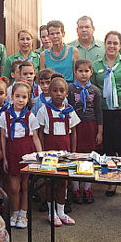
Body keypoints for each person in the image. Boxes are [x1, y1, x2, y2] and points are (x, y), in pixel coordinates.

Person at [91, 31, 121, 199]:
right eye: (109, 43)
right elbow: (94, 91)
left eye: (115, 43)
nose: (112, 46)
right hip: (104, 112)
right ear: (105, 44)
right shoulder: (96, 65)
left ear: (120, 45)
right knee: (107, 148)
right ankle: (111, 181)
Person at [37, 74, 80, 226]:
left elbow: (73, 133)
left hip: (66, 152)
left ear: (67, 93)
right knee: (50, 182)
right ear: (49, 92)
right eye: (55, 91)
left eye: (62, 91)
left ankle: (61, 212)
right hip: (49, 152)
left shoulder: (69, 111)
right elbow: (40, 133)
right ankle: (51, 212)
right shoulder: (44, 110)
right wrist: (41, 153)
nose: (58, 94)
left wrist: (73, 153)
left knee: (63, 182)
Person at [0, 81, 43, 229]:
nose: (20, 100)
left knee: (26, 185)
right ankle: (15, 211)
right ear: (11, 96)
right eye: (17, 96)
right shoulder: (5, 116)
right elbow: (2, 138)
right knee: (13, 187)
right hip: (12, 152)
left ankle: (23, 214)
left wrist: (40, 156)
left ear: (28, 99)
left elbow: (35, 137)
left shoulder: (30, 116)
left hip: (27, 152)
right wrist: (5, 157)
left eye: (24, 97)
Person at [68, 59, 103, 204]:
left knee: (89, 157)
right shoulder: (70, 89)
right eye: (80, 71)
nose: (83, 74)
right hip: (75, 126)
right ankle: (75, 188)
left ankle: (88, 188)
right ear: (75, 72)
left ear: (91, 72)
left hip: (91, 126)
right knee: (75, 156)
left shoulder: (94, 90)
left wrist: (99, 131)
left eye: (86, 71)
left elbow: (99, 111)